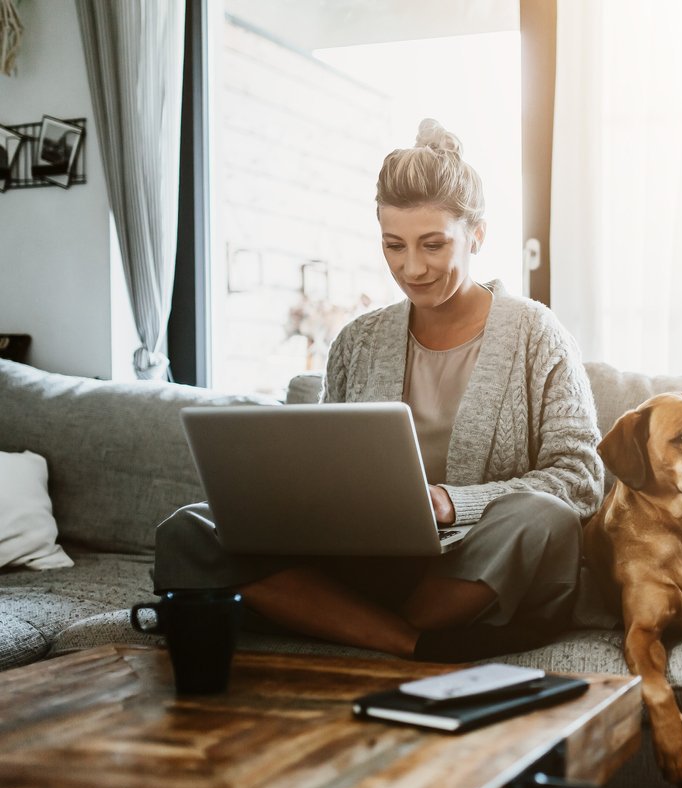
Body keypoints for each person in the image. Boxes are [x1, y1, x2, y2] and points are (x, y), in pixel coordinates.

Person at [153, 119, 604, 661]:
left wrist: (449, 503)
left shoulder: (537, 333)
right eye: (394, 245)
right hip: (366, 562)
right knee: (188, 529)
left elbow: (579, 480)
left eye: (433, 245)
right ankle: (413, 643)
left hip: (476, 564)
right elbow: (324, 465)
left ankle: (336, 619)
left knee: (542, 518)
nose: (411, 268)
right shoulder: (357, 341)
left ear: (477, 235)